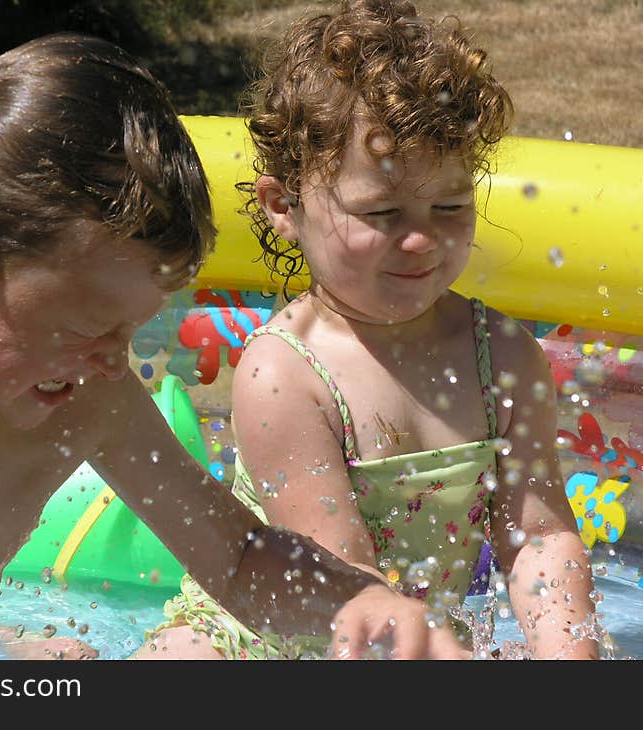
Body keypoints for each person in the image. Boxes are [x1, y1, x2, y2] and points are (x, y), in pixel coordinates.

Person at [0, 32, 465, 660]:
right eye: (84, 328)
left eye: (129, 333)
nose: (110, 361)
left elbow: (238, 559)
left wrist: (361, 603)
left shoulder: (75, 384)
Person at [138, 0, 598, 660]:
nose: (421, 239)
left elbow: (542, 542)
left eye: (451, 205)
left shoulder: (501, 356)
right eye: (381, 211)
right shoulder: (286, 374)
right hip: (260, 638)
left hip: (418, 637)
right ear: (283, 206)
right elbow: (343, 585)